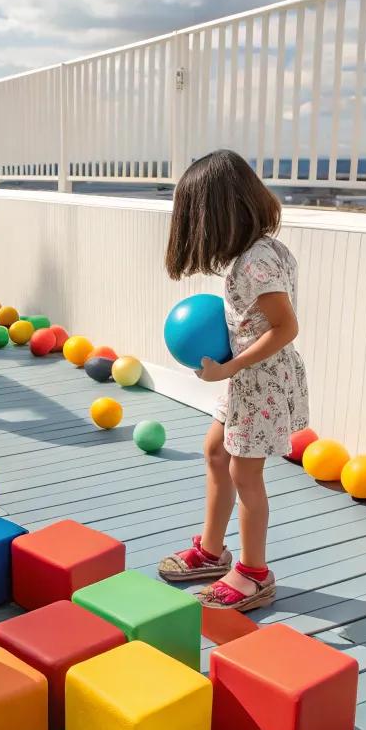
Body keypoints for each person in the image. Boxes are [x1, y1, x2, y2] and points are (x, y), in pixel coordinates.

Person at [158, 150, 309, 614]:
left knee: (246, 475)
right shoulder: (255, 252)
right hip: (246, 379)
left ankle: (253, 573)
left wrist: (228, 366)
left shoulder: (256, 262)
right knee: (216, 451)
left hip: (257, 382)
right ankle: (210, 550)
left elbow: (285, 328)